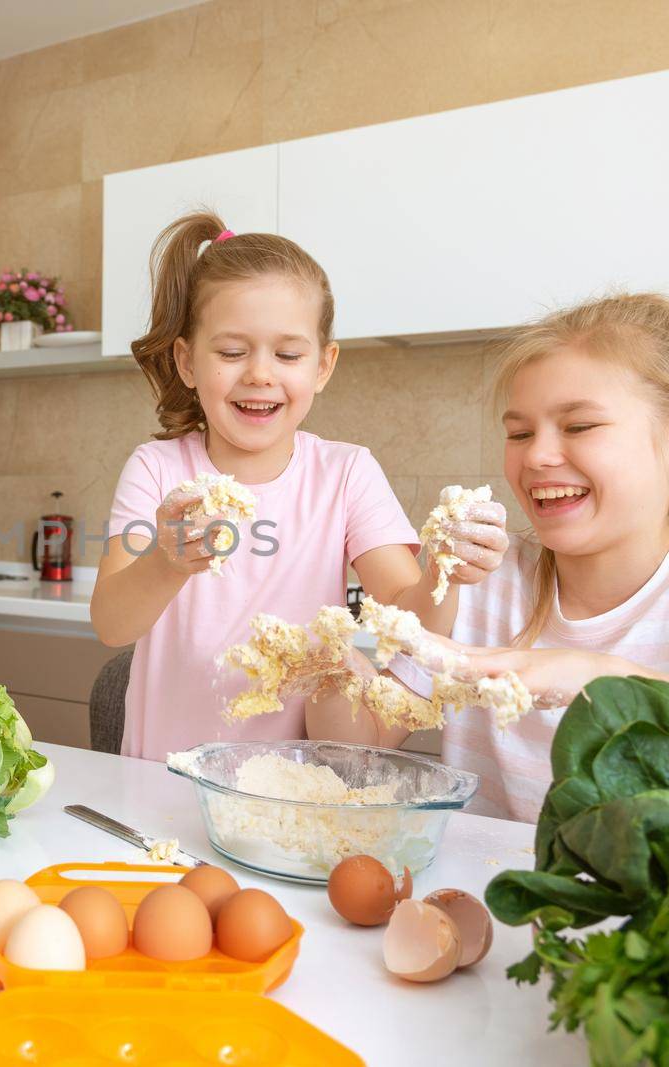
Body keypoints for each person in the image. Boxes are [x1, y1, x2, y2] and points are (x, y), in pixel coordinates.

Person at [388, 293, 669, 821]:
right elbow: (341, 736)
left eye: (579, 426)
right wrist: (435, 585)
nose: (536, 455)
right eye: (519, 433)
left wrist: (612, 682)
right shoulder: (485, 581)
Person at [90, 211, 508, 760]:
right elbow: (112, 625)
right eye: (233, 352)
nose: (261, 374)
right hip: (160, 779)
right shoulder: (157, 470)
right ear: (188, 361)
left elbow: (411, 623)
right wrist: (166, 561)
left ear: (322, 366)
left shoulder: (346, 474)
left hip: (289, 790)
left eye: (288, 355)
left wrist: (443, 572)